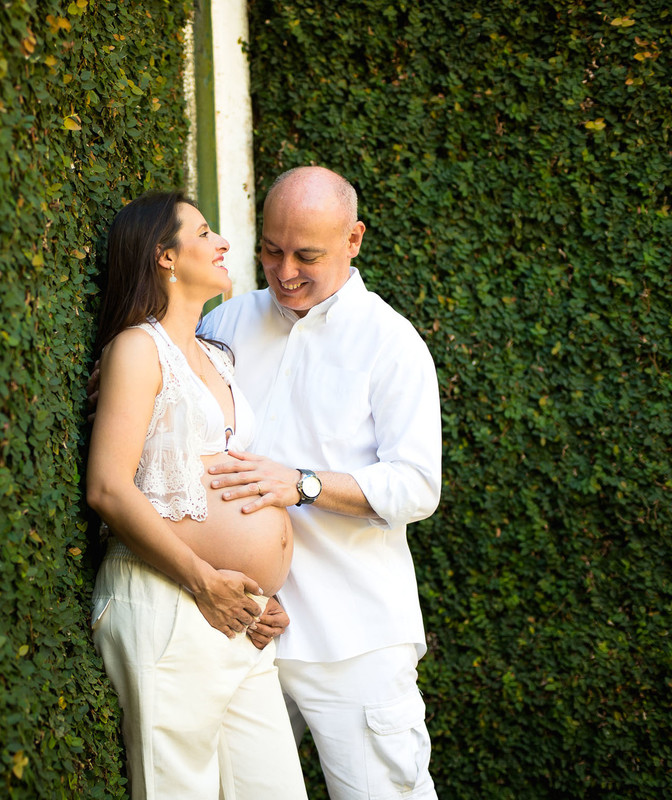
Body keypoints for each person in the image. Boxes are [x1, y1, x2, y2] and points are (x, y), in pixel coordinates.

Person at [199, 165, 443, 799]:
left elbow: (417, 485)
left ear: (354, 239)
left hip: (352, 636)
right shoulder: (223, 326)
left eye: (306, 255)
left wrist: (301, 483)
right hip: (242, 628)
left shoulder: (392, 344)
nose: (284, 272)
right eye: (271, 251)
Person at [86, 191, 307, 799]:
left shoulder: (215, 356)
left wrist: (259, 593)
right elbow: (107, 487)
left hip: (236, 613)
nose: (223, 243)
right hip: (170, 599)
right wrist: (202, 580)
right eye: (204, 232)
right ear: (164, 256)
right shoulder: (138, 348)